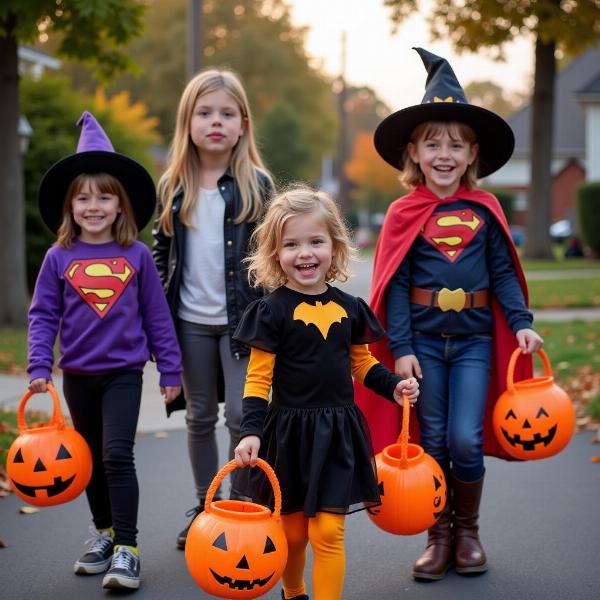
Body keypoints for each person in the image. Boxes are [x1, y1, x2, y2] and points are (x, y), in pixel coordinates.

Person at [355, 48, 544, 581]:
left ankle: (469, 533)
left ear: (471, 154)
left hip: (474, 343)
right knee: (431, 439)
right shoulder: (402, 212)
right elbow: (392, 286)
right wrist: (405, 349)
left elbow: (505, 273)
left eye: (455, 145)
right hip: (425, 345)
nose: (444, 153)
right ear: (412, 151)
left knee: (464, 436)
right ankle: (437, 537)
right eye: (433, 143)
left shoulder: (486, 209)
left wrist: (522, 321)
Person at [233, 186, 420, 600]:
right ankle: (294, 590)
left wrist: (394, 386)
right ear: (274, 253)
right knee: (294, 533)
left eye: (315, 242)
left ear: (334, 247)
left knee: (329, 532)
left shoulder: (350, 308)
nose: (305, 253)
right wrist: (251, 430)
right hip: (288, 435)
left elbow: (362, 364)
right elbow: (258, 379)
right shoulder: (270, 312)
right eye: (292, 244)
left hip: (337, 433)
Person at [27, 112, 183, 591]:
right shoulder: (58, 258)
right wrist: (38, 364)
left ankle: (128, 549)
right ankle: (106, 534)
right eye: (83, 197)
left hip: (123, 373)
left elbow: (157, 316)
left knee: (117, 454)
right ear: (70, 206)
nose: (93, 205)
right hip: (76, 373)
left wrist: (170, 369)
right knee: (91, 456)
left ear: (121, 205)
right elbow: (42, 315)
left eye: (104, 195)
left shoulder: (135, 255)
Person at [152, 68, 275, 549]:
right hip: (188, 324)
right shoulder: (173, 186)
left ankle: (240, 507)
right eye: (205, 113)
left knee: (242, 418)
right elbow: (162, 256)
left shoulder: (257, 185)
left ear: (243, 124)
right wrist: (158, 332)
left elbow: (272, 257)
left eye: (227, 113)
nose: (216, 122)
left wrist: (275, 324)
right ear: (188, 123)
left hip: (243, 325)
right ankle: (206, 506)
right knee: (199, 416)